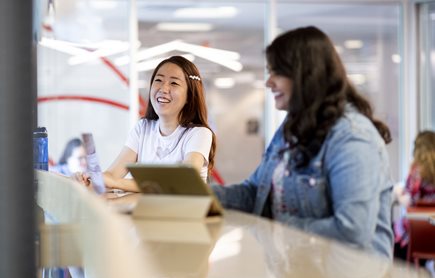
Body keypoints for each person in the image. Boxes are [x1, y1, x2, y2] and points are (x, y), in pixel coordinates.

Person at [212, 26, 394, 258]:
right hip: (302, 272)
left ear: (304, 75)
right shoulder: (291, 129)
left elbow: (352, 231)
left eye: (277, 73)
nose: (269, 82)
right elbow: (256, 193)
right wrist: (201, 195)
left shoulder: (352, 137)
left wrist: (277, 225)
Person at [76, 55, 216, 192]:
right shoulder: (143, 128)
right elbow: (112, 175)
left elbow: (182, 181)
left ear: (189, 96)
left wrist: (116, 183)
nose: (163, 88)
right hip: (148, 211)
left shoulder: (200, 134)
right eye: (158, 80)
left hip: (185, 213)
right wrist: (91, 179)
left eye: (174, 83)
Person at [393, 131, 435, 261]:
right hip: (432, 236)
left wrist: (399, 196)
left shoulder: (415, 174)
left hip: (415, 237)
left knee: (392, 230)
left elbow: (410, 201)